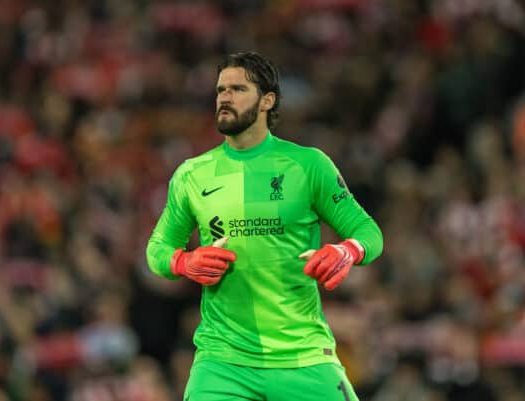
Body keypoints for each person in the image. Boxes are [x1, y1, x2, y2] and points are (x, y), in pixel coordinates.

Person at [146, 51, 383, 401]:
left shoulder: (308, 165)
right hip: (223, 362)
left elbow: (369, 234)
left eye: (237, 89)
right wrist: (183, 262)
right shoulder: (192, 175)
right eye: (220, 90)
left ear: (267, 100)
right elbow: (157, 249)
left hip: (302, 357)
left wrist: (348, 250)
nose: (224, 97)